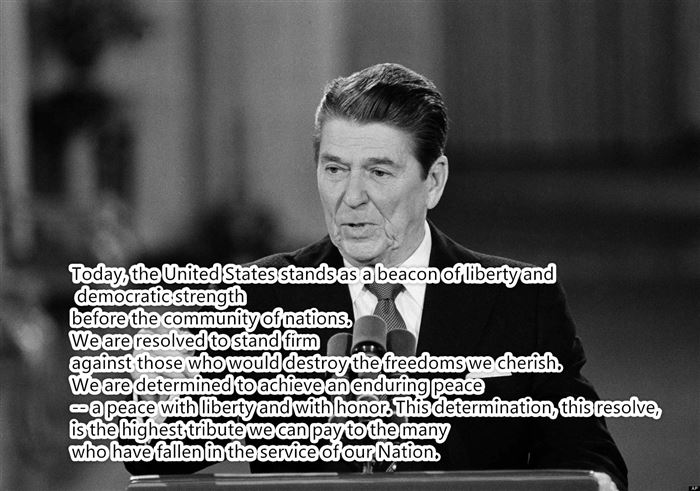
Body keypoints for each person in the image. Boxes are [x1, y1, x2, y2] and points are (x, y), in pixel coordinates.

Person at [125, 63, 627, 490]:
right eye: (335, 169)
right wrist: (158, 394)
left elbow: (588, 458)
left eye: (379, 172)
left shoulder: (519, 301)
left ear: (434, 181)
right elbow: (157, 456)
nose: (352, 197)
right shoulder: (258, 299)